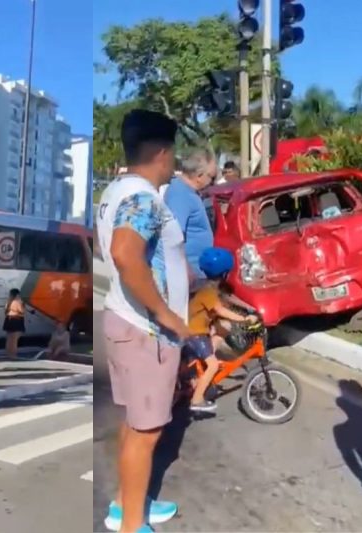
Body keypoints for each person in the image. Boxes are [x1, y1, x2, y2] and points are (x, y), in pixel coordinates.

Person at [97, 109, 189, 533]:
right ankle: (133, 526)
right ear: (162, 151)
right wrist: (164, 312)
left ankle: (124, 506)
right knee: (147, 432)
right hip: (147, 332)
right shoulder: (144, 198)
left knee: (135, 425)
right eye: (173, 153)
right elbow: (124, 253)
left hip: (126, 321)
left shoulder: (115, 190)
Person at [185, 247, 257, 412]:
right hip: (194, 333)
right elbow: (221, 310)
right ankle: (197, 400)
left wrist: (250, 308)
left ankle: (201, 373)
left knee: (222, 330)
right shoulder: (208, 291)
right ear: (225, 272)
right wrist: (245, 318)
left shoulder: (207, 285)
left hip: (196, 328)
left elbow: (228, 298)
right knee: (213, 366)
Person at [162, 145, 217, 289]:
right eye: (211, 176)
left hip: (195, 273)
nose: (212, 182)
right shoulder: (181, 195)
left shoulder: (189, 192)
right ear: (199, 176)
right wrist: (186, 269)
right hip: (189, 276)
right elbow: (173, 236)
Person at [3, 288, 26, 360]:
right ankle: (13, 355)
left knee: (9, 339)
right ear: (17, 294)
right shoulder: (17, 302)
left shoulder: (8, 302)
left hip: (9, 320)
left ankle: (8, 354)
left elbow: (5, 312)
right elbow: (22, 311)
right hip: (16, 320)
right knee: (14, 340)